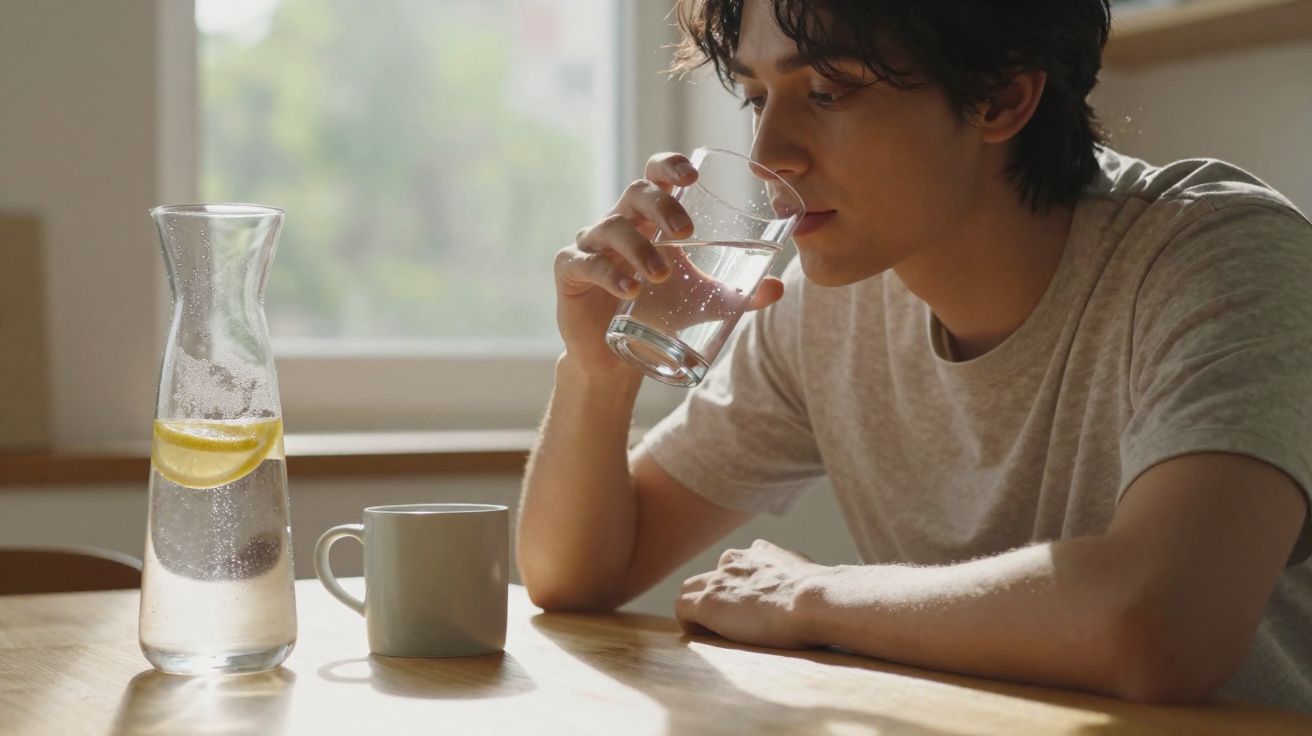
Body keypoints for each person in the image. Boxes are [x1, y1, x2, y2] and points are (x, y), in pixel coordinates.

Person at [516, 0, 1312, 712]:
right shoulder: (827, 306)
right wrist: (594, 372)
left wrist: (815, 598)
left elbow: (1167, 625)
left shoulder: (1222, 256)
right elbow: (578, 574)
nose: (769, 155)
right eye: (758, 98)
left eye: (828, 91)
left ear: (1001, 96)